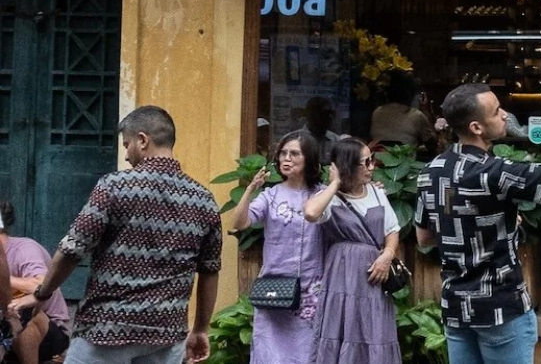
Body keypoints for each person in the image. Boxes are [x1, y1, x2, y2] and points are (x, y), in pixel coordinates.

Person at [415, 82, 541, 364]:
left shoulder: (430, 171)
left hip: (457, 310)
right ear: (476, 127)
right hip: (501, 309)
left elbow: (424, 237)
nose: (505, 115)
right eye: (496, 111)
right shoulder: (492, 172)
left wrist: (485, 222)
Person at [32, 106, 223, 364]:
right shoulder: (203, 200)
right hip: (166, 335)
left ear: (142, 140)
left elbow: (72, 250)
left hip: (105, 329)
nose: (126, 154)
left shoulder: (114, 186)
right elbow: (210, 270)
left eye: (126, 145)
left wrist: (43, 294)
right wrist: (200, 329)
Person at [303, 138, 401, 364]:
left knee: (374, 325)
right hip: (343, 273)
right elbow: (311, 213)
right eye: (365, 162)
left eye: (371, 160)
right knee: (342, 323)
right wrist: (335, 183)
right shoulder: (329, 199)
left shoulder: (376, 192)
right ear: (347, 166)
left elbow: (392, 229)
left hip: (375, 272)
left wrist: (387, 255)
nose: (371, 167)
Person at [231, 132, 325, 364]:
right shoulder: (271, 195)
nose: (287, 158)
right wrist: (251, 189)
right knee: (270, 354)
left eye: (294, 154)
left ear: (309, 159)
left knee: (307, 353)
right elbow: (239, 223)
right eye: (283, 153)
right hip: (274, 287)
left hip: (310, 290)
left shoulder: (322, 194)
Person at [2, 200, 69, 364]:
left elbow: (39, 285)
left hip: (48, 334)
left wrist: (3, 279)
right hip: (7, 334)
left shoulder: (24, 249)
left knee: (22, 309)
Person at [369, 72, 436, 155]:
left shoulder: (376, 113)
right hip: (405, 163)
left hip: (378, 162)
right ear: (411, 93)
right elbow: (432, 145)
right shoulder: (416, 116)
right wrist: (426, 110)